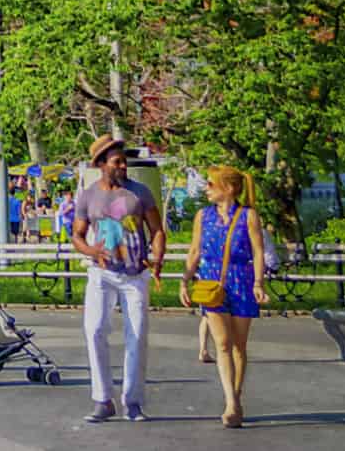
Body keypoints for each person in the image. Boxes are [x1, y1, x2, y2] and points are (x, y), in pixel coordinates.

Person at [72, 135, 166, 423]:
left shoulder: (140, 192)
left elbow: (157, 230)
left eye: (124, 161)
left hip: (134, 273)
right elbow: (76, 235)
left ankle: (133, 401)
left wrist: (158, 258)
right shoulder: (88, 195)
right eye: (117, 162)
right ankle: (103, 399)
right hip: (101, 273)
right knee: (95, 330)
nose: (123, 166)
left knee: (136, 336)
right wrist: (90, 250)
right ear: (102, 164)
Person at [184, 165, 269, 429]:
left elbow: (258, 251)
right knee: (222, 343)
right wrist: (185, 280)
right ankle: (231, 402)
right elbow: (195, 250)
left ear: (229, 188)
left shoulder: (249, 216)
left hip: (241, 280)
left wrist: (258, 282)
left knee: (238, 347)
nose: (206, 188)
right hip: (210, 283)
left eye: (211, 184)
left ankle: (237, 394)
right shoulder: (203, 215)